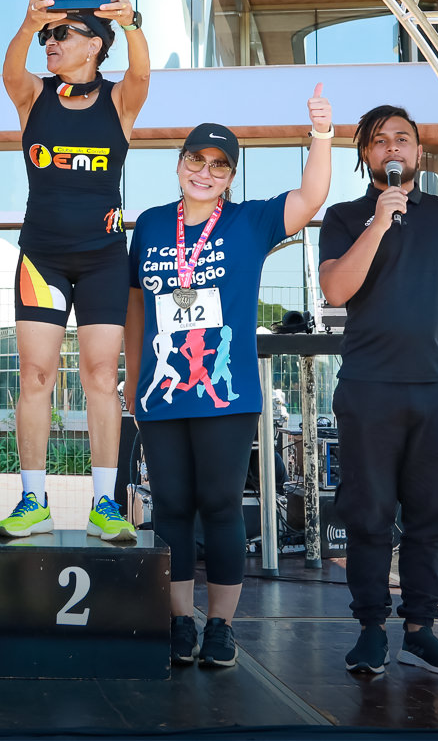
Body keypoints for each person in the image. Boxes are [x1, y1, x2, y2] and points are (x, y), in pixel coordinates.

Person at [123, 87, 333, 670]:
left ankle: (220, 625)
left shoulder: (250, 221)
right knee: (170, 506)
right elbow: (137, 307)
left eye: (219, 165)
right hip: (163, 390)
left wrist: (321, 134)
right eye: (197, 160)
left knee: (219, 505)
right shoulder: (151, 225)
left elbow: (311, 196)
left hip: (226, 391)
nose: (206, 172)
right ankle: (178, 621)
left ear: (231, 176)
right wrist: (133, 376)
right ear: (179, 163)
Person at [318, 104, 438, 677]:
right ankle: (371, 631)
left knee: (433, 513)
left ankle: (420, 631)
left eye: (403, 138)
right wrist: (379, 223)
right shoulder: (344, 218)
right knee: (368, 513)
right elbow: (335, 291)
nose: (392, 148)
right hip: (368, 389)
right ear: (365, 155)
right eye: (380, 140)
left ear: (419, 152)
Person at [0, 0, 149, 541]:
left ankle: (105, 504)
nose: (51, 42)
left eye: (63, 33)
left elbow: (142, 72)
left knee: (101, 378)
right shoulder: (34, 96)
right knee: (35, 376)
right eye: (47, 35)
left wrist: (131, 23)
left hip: (104, 259)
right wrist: (28, 22)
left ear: (95, 45)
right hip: (42, 258)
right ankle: (33, 500)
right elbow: (10, 71)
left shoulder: (120, 101)